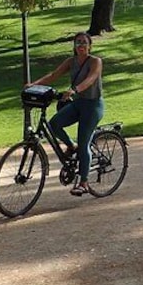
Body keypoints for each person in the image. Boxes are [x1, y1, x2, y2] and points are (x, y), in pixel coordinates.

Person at [25, 32, 104, 196]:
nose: (81, 45)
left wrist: (74, 90)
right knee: (53, 124)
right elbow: (53, 75)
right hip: (78, 103)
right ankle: (70, 145)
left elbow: (91, 78)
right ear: (74, 46)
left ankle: (83, 182)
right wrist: (33, 85)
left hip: (93, 106)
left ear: (89, 46)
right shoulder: (71, 61)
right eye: (78, 42)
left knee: (84, 144)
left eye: (84, 42)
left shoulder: (95, 61)